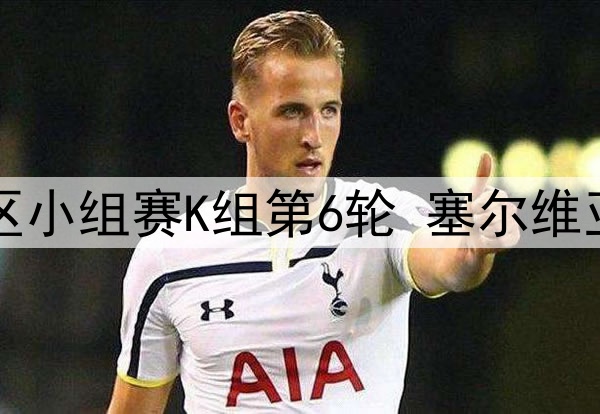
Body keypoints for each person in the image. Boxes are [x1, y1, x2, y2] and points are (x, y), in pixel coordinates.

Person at [107, 10, 519, 413]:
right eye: (293, 111)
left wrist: (471, 249)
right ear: (240, 121)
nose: (314, 136)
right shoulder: (168, 257)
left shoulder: (382, 218)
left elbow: (448, 262)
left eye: (328, 110)